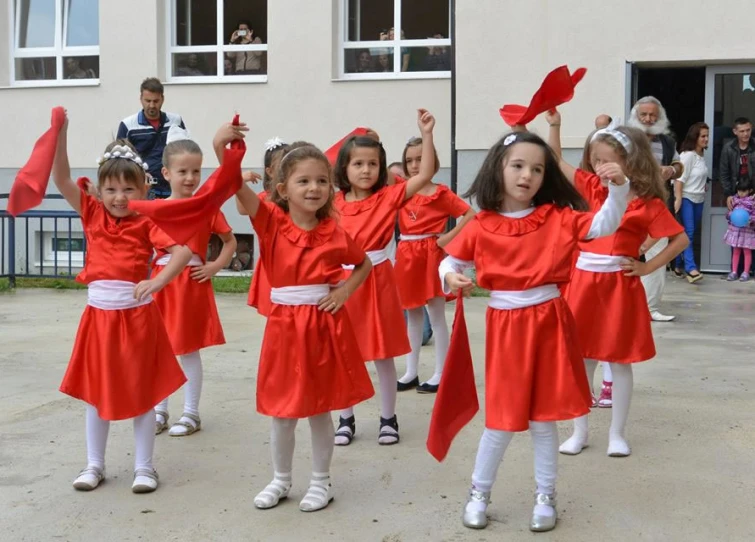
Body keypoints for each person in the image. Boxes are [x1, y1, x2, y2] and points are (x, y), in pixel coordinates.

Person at [438, 130, 629, 533]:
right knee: (501, 420)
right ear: (498, 169)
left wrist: (618, 188)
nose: (527, 175)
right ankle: (479, 492)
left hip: (548, 321)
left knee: (544, 419)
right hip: (506, 327)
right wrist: (453, 276)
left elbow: (603, 225)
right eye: (518, 165)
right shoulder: (483, 224)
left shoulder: (558, 218)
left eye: (537, 169)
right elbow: (449, 261)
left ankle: (546, 495)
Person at [52, 113, 192, 493]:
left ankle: (144, 467)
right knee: (96, 394)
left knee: (142, 393)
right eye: (111, 189)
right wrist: (60, 133)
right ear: (98, 191)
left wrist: (157, 280)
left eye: (128, 190)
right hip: (98, 319)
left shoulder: (146, 222)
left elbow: (181, 252)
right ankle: (94, 464)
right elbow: (61, 179)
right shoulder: (91, 212)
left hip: (136, 321)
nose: (119, 198)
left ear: (143, 191)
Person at [235, 142, 375, 513]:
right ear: (283, 188)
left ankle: (320, 482)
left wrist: (344, 292)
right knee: (283, 413)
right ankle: (281, 479)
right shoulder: (270, 222)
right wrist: (223, 148)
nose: (314, 188)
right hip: (284, 328)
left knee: (319, 410)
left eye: (322, 181)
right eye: (303, 181)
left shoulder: (334, 232)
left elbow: (364, 265)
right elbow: (235, 186)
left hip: (321, 328)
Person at [547, 110, 688, 459]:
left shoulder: (647, 201)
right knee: (581, 359)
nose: (599, 167)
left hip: (618, 286)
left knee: (620, 361)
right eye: (594, 160)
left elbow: (679, 240)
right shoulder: (593, 189)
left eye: (606, 161)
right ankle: (579, 430)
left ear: (628, 160)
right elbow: (555, 162)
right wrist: (554, 126)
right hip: (582, 282)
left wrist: (645, 267)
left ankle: (617, 434)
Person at [332, 109, 437, 447]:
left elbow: (426, 174)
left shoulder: (387, 197)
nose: (366, 170)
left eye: (372, 164)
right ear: (344, 168)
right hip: (341, 286)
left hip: (377, 281)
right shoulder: (331, 203)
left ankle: (388, 417)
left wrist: (428, 134)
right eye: (358, 163)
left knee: (382, 355)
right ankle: (345, 417)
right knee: (342, 354)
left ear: (381, 168)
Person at [152, 125, 238, 437]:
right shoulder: (155, 210)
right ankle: (159, 410)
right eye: (183, 171)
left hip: (189, 284)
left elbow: (229, 242)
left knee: (187, 349)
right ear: (166, 173)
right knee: (158, 348)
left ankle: (190, 412)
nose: (190, 178)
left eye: (196, 171)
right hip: (160, 283)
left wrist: (214, 267)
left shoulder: (204, 208)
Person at [395, 137, 475, 393]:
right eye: (410, 160)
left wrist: (448, 238)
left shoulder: (440, 193)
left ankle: (441, 372)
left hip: (430, 253)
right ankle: (411, 371)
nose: (415, 165)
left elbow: (470, 214)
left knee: (436, 314)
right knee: (413, 314)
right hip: (407, 254)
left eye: (420, 158)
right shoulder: (402, 190)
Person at [627, 96, 683, 322]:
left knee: (658, 256)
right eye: (644, 115)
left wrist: (671, 170)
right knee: (625, 256)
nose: (649, 119)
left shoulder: (667, 142)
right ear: (636, 117)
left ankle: (649, 308)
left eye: (653, 115)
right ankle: (627, 305)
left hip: (657, 207)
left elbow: (680, 166)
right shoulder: (626, 140)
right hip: (629, 208)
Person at [236, 137, 291, 316]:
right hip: (272, 264)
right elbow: (243, 209)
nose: (286, 172)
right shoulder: (263, 199)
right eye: (280, 168)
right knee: (276, 313)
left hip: (294, 261)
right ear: (269, 171)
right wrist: (240, 183)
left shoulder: (297, 197)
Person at [117, 78, 187, 199]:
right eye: (147, 101)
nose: (152, 105)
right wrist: (139, 174)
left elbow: (186, 151)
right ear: (140, 99)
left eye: (156, 101)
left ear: (162, 99)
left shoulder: (176, 121)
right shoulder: (127, 125)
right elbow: (119, 160)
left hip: (172, 187)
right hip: (143, 189)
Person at [388, 160, 433, 347]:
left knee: (421, 335)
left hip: (407, 274)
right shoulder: (383, 207)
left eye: (403, 179)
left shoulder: (415, 209)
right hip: (385, 277)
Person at [674, 122, 710, 282]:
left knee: (691, 232)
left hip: (699, 199)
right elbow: (679, 179)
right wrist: (679, 199)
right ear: (695, 137)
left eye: (707, 136)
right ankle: (691, 268)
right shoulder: (687, 156)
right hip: (687, 198)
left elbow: (698, 177)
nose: (706, 139)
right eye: (703, 136)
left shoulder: (701, 156)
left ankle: (677, 264)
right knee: (688, 233)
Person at [720, 117, 755, 210]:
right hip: (736, 193)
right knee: (737, 222)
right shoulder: (728, 148)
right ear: (735, 131)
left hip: (753, 191)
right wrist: (728, 195)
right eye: (742, 131)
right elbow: (724, 173)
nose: (746, 134)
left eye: (748, 130)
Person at [724, 179, 755, 281]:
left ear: (750, 190)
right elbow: (728, 214)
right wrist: (730, 215)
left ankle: (746, 272)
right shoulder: (734, 200)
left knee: (747, 251)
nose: (741, 193)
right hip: (735, 231)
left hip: (747, 231)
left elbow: (754, 216)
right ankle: (734, 271)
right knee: (736, 251)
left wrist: (750, 220)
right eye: (739, 191)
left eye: (744, 191)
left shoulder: (752, 202)